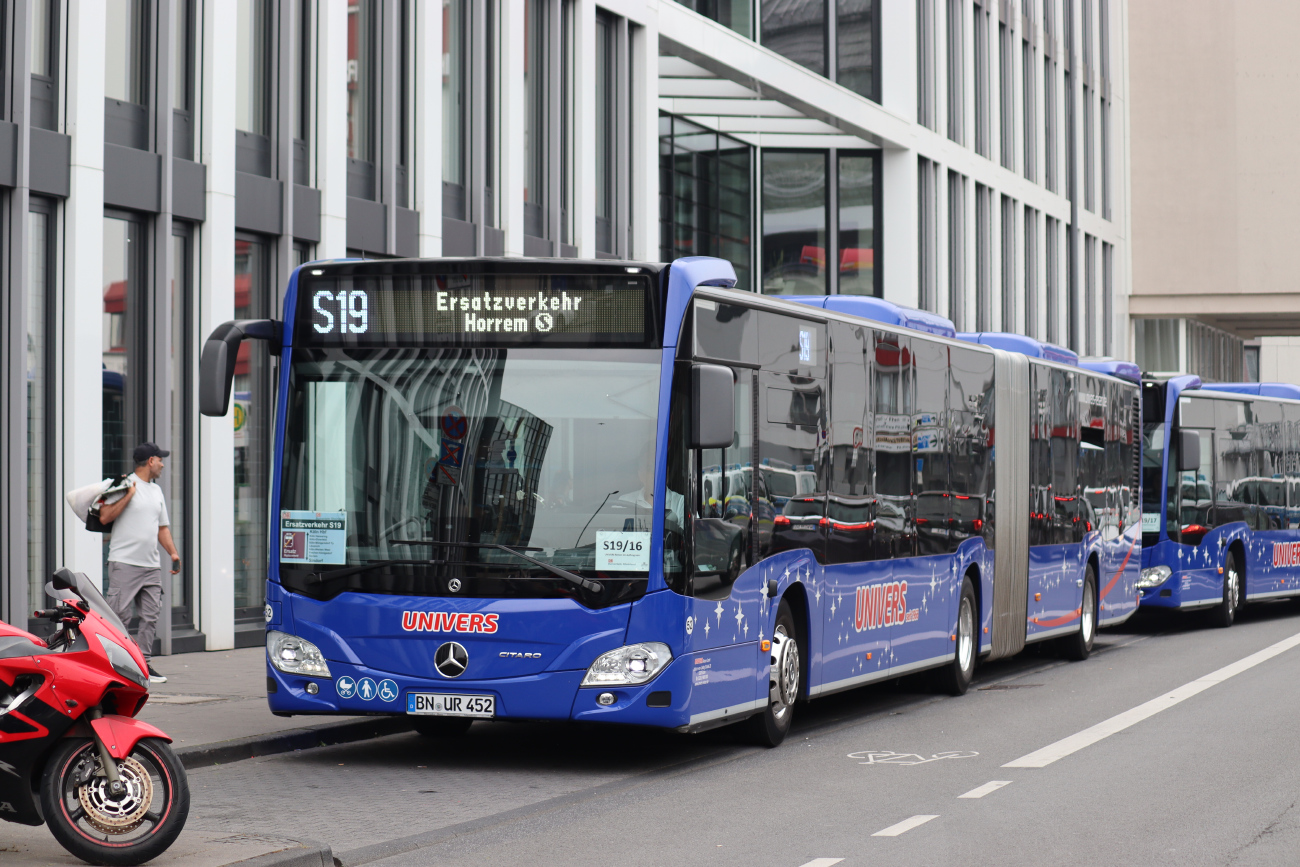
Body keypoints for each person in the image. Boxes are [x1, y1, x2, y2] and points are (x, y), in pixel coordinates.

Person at [98, 442, 181, 684]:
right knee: (119, 617)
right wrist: (129, 496)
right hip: (124, 563)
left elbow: (162, 528)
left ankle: (143, 664)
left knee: (150, 616)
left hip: (151, 566)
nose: (163, 464)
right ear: (150, 461)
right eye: (160, 460)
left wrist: (173, 554)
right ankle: (117, 665)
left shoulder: (156, 491)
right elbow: (105, 516)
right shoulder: (124, 484)